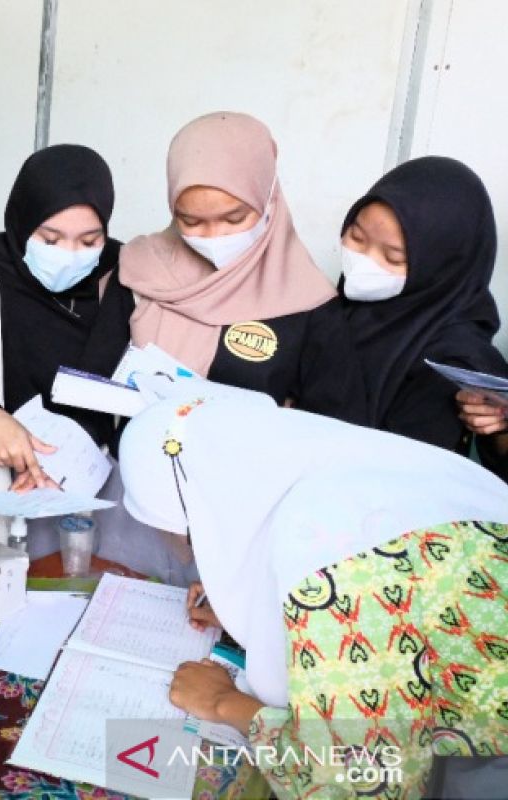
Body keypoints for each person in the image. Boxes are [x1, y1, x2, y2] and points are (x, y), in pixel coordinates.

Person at [118, 393, 508, 800]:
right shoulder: (365, 461)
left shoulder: (326, 566)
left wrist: (223, 703)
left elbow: (362, 780)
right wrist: (257, 608)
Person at [82, 111, 367, 424]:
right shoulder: (140, 272)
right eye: (190, 221)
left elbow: (337, 427)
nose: (214, 236)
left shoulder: (308, 303)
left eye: (234, 219)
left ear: (268, 198)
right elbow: (91, 387)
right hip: (138, 467)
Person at [0, 143, 120, 557]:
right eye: (50, 238)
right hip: (7, 496)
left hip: (96, 497)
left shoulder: (120, 277)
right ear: (22, 222)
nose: (70, 255)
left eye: (90, 239)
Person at [337, 156, 508, 475]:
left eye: (393, 257)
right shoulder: (343, 308)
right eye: (357, 238)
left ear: (442, 268)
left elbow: (398, 473)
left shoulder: (453, 361)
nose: (363, 263)